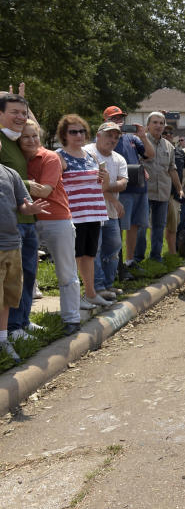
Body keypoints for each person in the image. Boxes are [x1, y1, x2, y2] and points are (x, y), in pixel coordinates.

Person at [18, 120, 82, 336]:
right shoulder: (17, 159)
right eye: (26, 136)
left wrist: (16, 183)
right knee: (25, 273)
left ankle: (72, 318)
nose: (31, 140)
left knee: (66, 272)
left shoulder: (50, 157)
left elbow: (45, 191)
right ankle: (23, 321)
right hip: (28, 220)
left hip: (57, 219)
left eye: (34, 136)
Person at [55, 115, 111, 309]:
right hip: (74, 214)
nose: (78, 135)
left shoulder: (91, 156)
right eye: (73, 132)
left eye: (81, 131)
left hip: (94, 213)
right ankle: (75, 298)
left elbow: (102, 187)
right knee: (75, 256)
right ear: (64, 134)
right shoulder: (59, 156)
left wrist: (105, 178)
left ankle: (90, 293)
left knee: (90, 254)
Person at [0, 142, 48, 361]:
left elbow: (22, 205)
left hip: (12, 244)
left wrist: (31, 208)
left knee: (9, 296)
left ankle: (3, 339)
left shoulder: (10, 173)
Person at [0, 93, 42, 338]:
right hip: (9, 224)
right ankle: (11, 329)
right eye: (14, 112)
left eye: (23, 112)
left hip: (27, 218)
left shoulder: (16, 140)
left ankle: (22, 321)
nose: (20, 117)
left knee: (27, 275)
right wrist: (27, 184)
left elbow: (37, 133)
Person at [104, 105, 154, 278]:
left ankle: (129, 261)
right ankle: (116, 266)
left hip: (139, 187)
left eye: (121, 118)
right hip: (121, 190)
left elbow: (150, 154)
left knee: (134, 226)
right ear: (106, 122)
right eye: (114, 119)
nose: (119, 122)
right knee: (118, 229)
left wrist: (143, 136)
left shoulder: (132, 138)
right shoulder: (107, 140)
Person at [84, 123, 128, 301]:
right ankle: (98, 287)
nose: (113, 140)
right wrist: (113, 196)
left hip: (110, 212)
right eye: (109, 135)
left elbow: (123, 183)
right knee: (95, 249)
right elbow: (93, 184)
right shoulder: (87, 153)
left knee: (114, 247)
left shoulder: (119, 159)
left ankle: (108, 284)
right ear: (98, 135)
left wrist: (107, 186)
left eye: (116, 137)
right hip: (91, 211)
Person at [142, 113, 182, 261]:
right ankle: (138, 259)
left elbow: (172, 169)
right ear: (148, 125)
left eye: (161, 123)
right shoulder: (141, 142)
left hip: (163, 192)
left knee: (159, 226)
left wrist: (179, 188)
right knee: (141, 226)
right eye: (155, 122)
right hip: (144, 192)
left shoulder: (169, 146)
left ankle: (156, 256)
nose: (158, 126)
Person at [164, 125, 185, 252]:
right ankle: (156, 257)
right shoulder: (154, 151)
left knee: (173, 227)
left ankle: (172, 254)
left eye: (170, 132)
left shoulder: (179, 152)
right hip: (158, 194)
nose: (168, 134)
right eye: (165, 132)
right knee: (157, 227)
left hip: (174, 196)